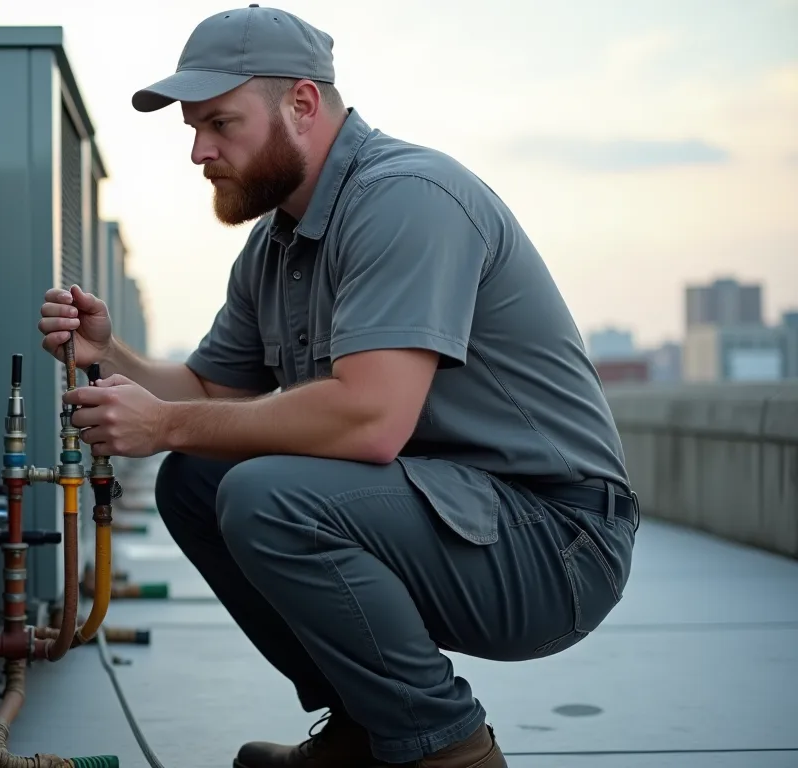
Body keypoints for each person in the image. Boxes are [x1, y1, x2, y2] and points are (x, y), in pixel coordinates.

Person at [37, 5, 639, 767]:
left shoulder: (406, 198)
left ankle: (447, 750)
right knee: (195, 481)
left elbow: (369, 421)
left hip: (554, 544)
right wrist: (109, 354)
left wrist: (165, 426)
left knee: (266, 497)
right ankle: (366, 728)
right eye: (193, 128)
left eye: (221, 124)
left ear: (302, 104)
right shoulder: (276, 243)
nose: (198, 151)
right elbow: (206, 392)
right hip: (449, 513)